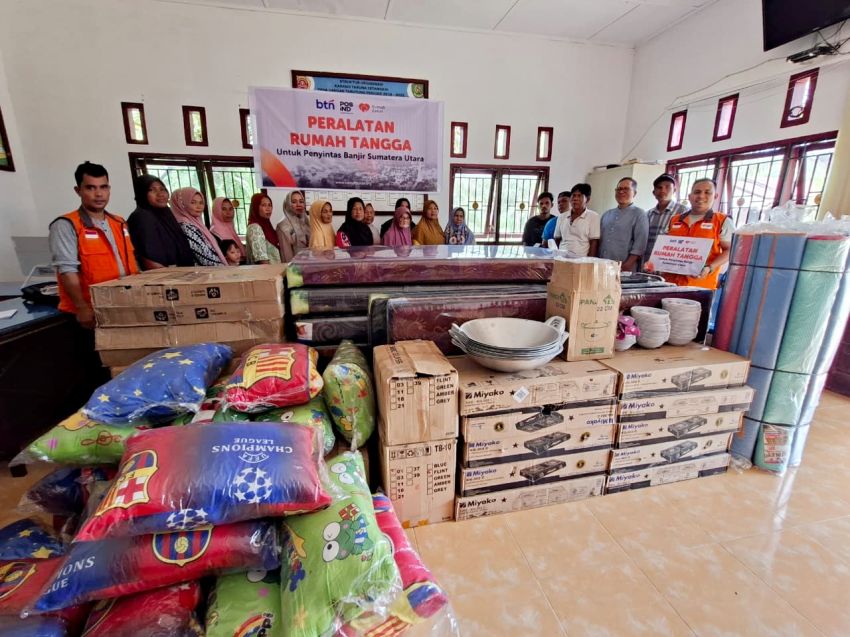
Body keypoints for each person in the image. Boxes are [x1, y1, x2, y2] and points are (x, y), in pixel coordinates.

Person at [49, 161, 138, 328]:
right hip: (90, 310)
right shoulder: (66, 225)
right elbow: (67, 270)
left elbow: (129, 262)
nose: (99, 194)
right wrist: (82, 308)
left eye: (103, 187)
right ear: (78, 191)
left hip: (121, 303)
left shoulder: (118, 222)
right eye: (90, 188)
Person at [652, 178, 734, 289]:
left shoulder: (722, 221)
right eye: (697, 192)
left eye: (707, 192)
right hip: (669, 284)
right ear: (690, 196)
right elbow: (665, 248)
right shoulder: (674, 220)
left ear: (715, 196)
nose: (701, 196)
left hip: (700, 286)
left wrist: (710, 267)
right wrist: (654, 262)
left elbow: (730, 250)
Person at [127, 175, 194, 270]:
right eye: (152, 190)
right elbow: (150, 260)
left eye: (162, 189)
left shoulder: (166, 214)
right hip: (163, 276)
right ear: (142, 193)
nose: (160, 194)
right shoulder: (142, 217)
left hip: (179, 273)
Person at [599, 178, 648, 272]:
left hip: (624, 269)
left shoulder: (639, 214)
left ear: (634, 193)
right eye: (619, 189)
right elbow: (601, 241)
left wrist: (625, 267)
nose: (621, 192)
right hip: (602, 266)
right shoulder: (607, 214)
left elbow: (640, 246)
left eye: (626, 189)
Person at [170, 187, 226, 266]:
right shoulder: (186, 227)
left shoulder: (196, 224)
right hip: (204, 271)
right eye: (193, 202)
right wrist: (226, 270)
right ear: (182, 205)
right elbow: (207, 258)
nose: (199, 206)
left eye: (201, 203)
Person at [643, 173, 689, 266]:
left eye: (667, 187)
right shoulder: (648, 214)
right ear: (654, 192)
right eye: (659, 187)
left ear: (674, 190)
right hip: (647, 264)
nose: (663, 190)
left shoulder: (684, 212)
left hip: (670, 265)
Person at [553, 183, 600, 257]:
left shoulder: (593, 216)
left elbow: (594, 243)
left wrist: (589, 261)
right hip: (561, 259)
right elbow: (557, 239)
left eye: (579, 195)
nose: (575, 198)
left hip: (582, 260)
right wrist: (556, 257)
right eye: (573, 195)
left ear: (587, 199)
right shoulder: (562, 217)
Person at [245, 193, 281, 264]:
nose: (268, 209)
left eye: (269, 205)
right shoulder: (254, 228)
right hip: (266, 270)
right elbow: (262, 259)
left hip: (275, 269)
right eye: (264, 205)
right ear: (256, 207)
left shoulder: (267, 226)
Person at [276, 190, 310, 262]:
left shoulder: (306, 222)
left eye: (301, 201)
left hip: (309, 264)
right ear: (288, 204)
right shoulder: (283, 226)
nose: (298, 205)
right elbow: (286, 256)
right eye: (294, 202)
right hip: (294, 266)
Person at [210, 197, 245, 261]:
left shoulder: (230, 228)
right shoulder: (214, 232)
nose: (228, 212)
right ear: (216, 211)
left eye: (230, 209)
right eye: (224, 209)